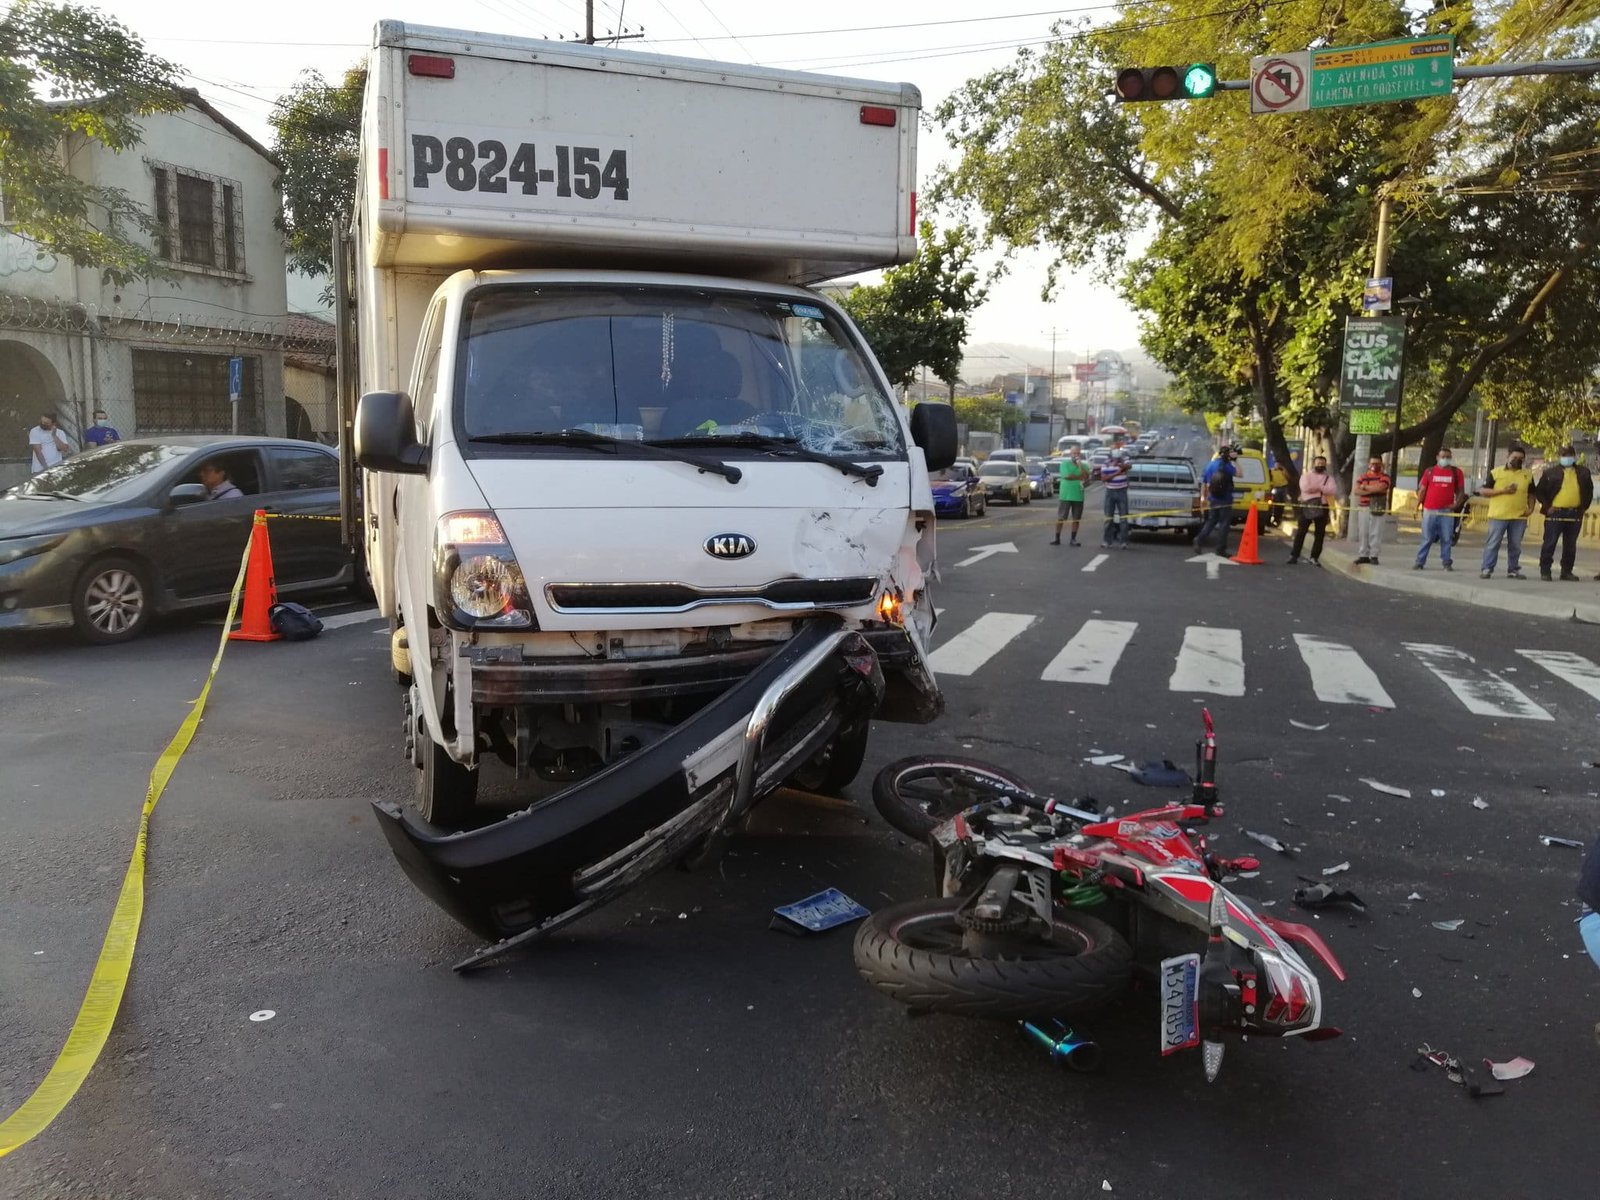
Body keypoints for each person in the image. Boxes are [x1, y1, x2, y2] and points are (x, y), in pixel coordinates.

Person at [1533, 443, 1593, 582]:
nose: (1567, 458)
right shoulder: (1550, 473)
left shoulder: (1584, 472)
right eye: (1564, 455)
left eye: (1570, 455)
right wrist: (1547, 507)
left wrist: (1583, 507)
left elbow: (1589, 491)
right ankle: (1545, 570)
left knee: (1570, 545)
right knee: (1550, 542)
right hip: (1555, 513)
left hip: (1574, 513)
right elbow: (1540, 491)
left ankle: (1566, 571)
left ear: (1574, 456)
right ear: (1560, 457)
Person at [1478, 445, 1534, 579]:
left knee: (1515, 545)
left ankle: (1513, 569)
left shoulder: (1527, 475)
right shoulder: (1496, 472)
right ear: (1507, 457)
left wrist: (1530, 508)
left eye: (1521, 459)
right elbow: (1484, 491)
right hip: (1498, 515)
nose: (1517, 460)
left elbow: (1531, 494)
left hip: (1519, 516)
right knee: (1493, 543)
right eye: (1514, 457)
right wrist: (1503, 491)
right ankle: (1487, 568)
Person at [1412, 449, 1465, 571]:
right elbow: (1422, 490)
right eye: (1443, 456)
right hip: (1429, 510)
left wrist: (1456, 504)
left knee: (1446, 538)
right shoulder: (1429, 472)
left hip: (1446, 511)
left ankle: (1446, 562)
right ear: (1437, 457)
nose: (1445, 459)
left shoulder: (1456, 472)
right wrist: (1417, 506)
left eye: (1448, 457)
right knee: (1427, 538)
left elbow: (1461, 490)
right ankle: (1420, 561)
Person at [1288, 453, 1338, 565]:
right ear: (1314, 464)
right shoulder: (1306, 476)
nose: (1320, 465)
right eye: (1318, 463)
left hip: (1323, 506)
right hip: (1307, 505)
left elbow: (1333, 490)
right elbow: (1305, 488)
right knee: (1301, 532)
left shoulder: (1329, 478)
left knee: (1320, 534)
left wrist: (1317, 488)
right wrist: (1321, 488)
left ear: (1325, 465)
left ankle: (1314, 557)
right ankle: (1294, 555)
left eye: (1322, 464)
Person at [1194, 446, 1236, 555]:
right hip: (1225, 499)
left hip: (1213, 498)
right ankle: (1220, 549)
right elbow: (1240, 473)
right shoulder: (1227, 466)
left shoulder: (1210, 465)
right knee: (1224, 524)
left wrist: (1203, 497)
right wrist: (1235, 461)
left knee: (1211, 521)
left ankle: (1199, 539)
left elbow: (1204, 482)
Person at [1352, 455, 1391, 565]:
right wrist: (1373, 490)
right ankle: (1363, 555)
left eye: (1377, 464)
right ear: (1368, 465)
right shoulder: (1362, 477)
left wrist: (1365, 487)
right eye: (1373, 463)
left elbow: (1381, 487)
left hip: (1378, 507)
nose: (1375, 466)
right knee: (1363, 532)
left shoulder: (1385, 477)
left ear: (1382, 465)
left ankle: (1374, 555)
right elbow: (1356, 491)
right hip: (1364, 507)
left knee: (1376, 532)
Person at [1052, 444, 1092, 546]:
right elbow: (1068, 476)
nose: (1076, 455)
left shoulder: (1084, 465)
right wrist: (1079, 477)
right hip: (1065, 495)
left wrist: (1079, 466)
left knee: (1076, 518)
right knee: (1061, 517)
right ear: (1071, 453)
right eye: (1074, 453)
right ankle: (1057, 538)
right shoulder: (1064, 464)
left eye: (1078, 453)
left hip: (1078, 495)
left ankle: (1073, 539)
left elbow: (1086, 477)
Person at [1099, 447, 1131, 549]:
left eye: (1118, 457)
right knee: (1108, 517)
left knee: (1123, 517)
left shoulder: (1124, 460)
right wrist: (1117, 473)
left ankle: (1123, 541)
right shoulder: (1106, 463)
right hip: (1110, 491)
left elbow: (1128, 466)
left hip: (1122, 491)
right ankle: (1107, 541)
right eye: (1114, 457)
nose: (1116, 459)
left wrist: (1120, 464)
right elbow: (1104, 478)